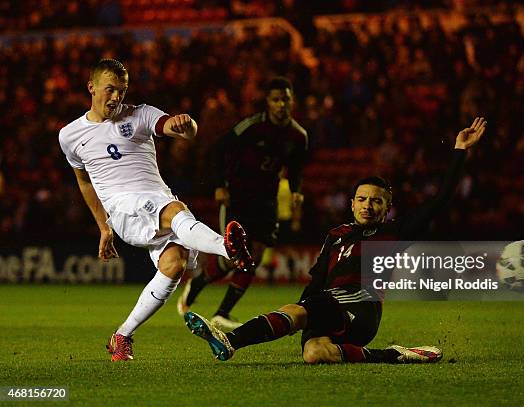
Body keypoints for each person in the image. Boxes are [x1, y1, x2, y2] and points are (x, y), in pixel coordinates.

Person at [184, 117, 486, 364]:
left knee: (298, 309)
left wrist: (460, 150)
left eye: (376, 201)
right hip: (327, 304)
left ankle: (229, 340)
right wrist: (306, 307)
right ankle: (396, 355)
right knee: (316, 354)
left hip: (361, 308)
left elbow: (439, 201)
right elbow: (317, 279)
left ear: (386, 207)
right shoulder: (336, 235)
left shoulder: (392, 234)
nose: (368, 205)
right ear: (352, 203)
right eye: (363, 199)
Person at [58, 59, 254, 362]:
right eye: (110, 90)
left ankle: (122, 336)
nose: (116, 98)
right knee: (176, 210)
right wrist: (104, 227)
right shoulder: (70, 135)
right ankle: (228, 249)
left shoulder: (141, 114)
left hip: (156, 201)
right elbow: (85, 183)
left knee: (174, 264)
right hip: (125, 209)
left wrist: (186, 126)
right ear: (91, 87)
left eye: (121, 91)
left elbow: (181, 130)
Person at [177, 77, 308, 331]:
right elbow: (219, 149)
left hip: (266, 201)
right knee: (233, 256)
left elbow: (295, 169)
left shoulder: (298, 135)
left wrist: (295, 192)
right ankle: (198, 283)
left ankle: (222, 313)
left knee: (254, 257)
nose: (281, 104)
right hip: (238, 196)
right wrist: (219, 185)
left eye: (286, 99)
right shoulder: (252, 126)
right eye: (276, 99)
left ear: (292, 101)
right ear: (268, 103)